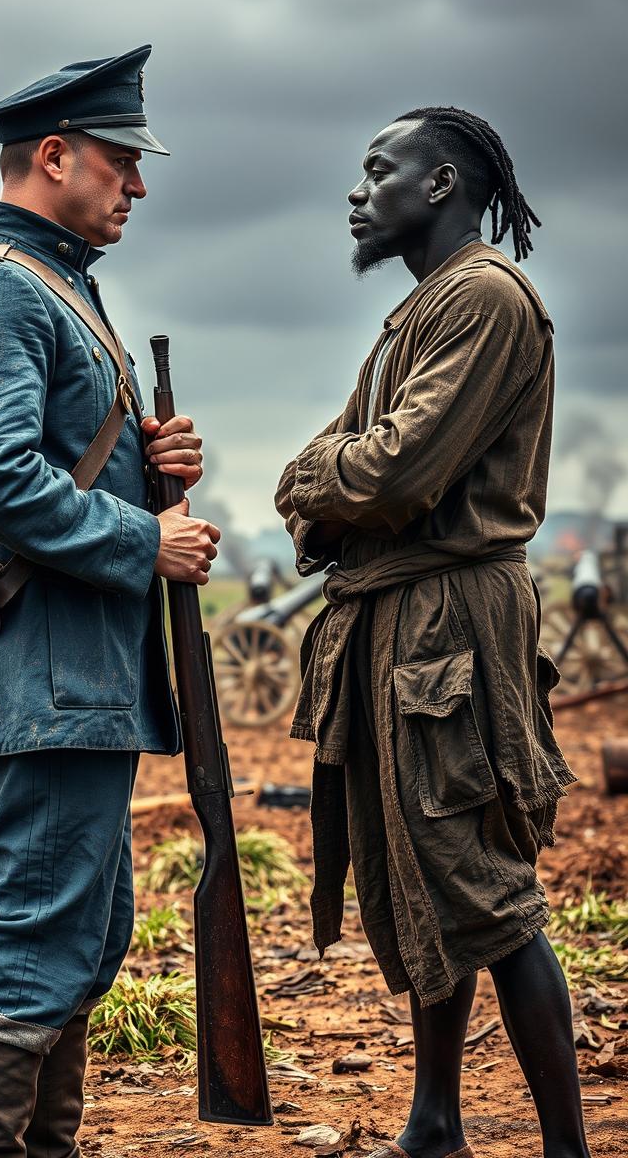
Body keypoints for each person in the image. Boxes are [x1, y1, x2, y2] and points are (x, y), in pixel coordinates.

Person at [0, 45, 220, 1157]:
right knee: (39, 923)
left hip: (76, 662)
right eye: (121, 161)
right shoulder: (0, 285)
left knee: (85, 933)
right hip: (41, 661)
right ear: (54, 156)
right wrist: (147, 535)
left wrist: (147, 460)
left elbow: (46, 461)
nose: (135, 185)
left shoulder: (56, 286)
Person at [275, 107, 591, 1158]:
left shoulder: (484, 300)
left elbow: (391, 469)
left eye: (379, 169)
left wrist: (321, 483)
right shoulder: (423, 308)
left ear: (442, 181)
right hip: (405, 620)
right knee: (418, 871)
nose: (358, 192)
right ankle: (433, 1120)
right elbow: (342, 461)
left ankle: (566, 1148)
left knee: (483, 882)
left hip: (449, 623)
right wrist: (328, 482)